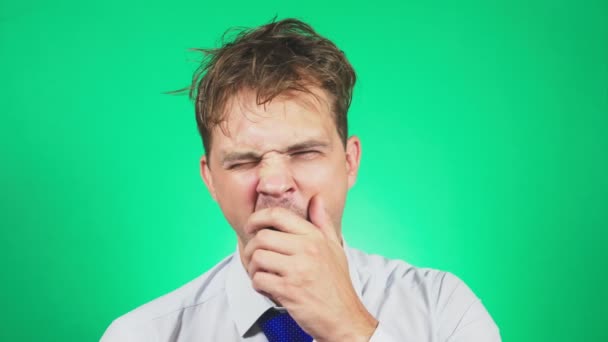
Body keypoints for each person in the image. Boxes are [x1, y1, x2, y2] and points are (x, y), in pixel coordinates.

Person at [100, 18, 501, 342]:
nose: (274, 184)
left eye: (305, 152)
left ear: (349, 162)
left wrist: (351, 329)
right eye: (243, 161)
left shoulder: (444, 309)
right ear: (210, 179)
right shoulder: (141, 335)